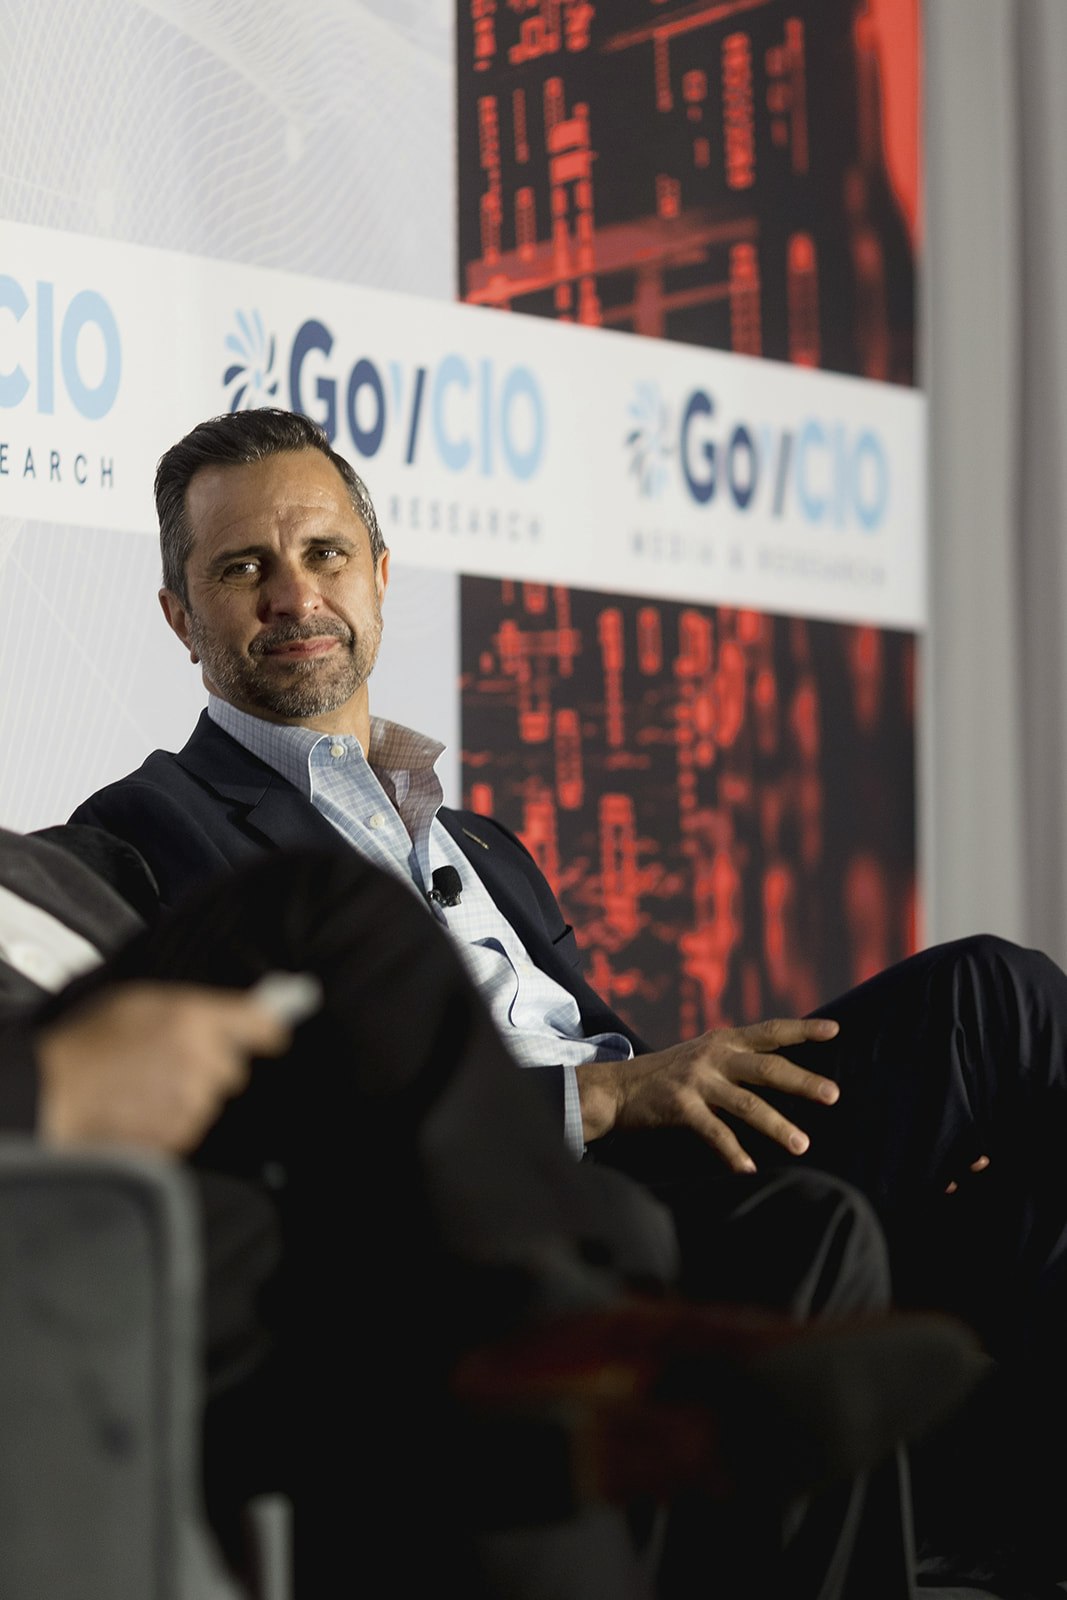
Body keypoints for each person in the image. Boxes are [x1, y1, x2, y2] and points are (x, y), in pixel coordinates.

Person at [68, 408, 1067, 1591]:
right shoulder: (147, 831)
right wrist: (596, 1099)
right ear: (180, 615)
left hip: (661, 1162)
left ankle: (993, 1541)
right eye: (243, 568)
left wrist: (643, 1087)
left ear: (379, 575)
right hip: (496, 1222)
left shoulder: (478, 838)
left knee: (1019, 1185)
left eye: (324, 552)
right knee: (974, 1024)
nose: (295, 594)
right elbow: (243, 1115)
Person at [0, 821, 975, 1600]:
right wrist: (49, 1085)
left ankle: (555, 1334)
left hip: (364, 1163)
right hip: (84, 1214)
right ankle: (556, 1347)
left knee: (324, 904)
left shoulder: (66, 866)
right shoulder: (151, 821)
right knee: (974, 1013)